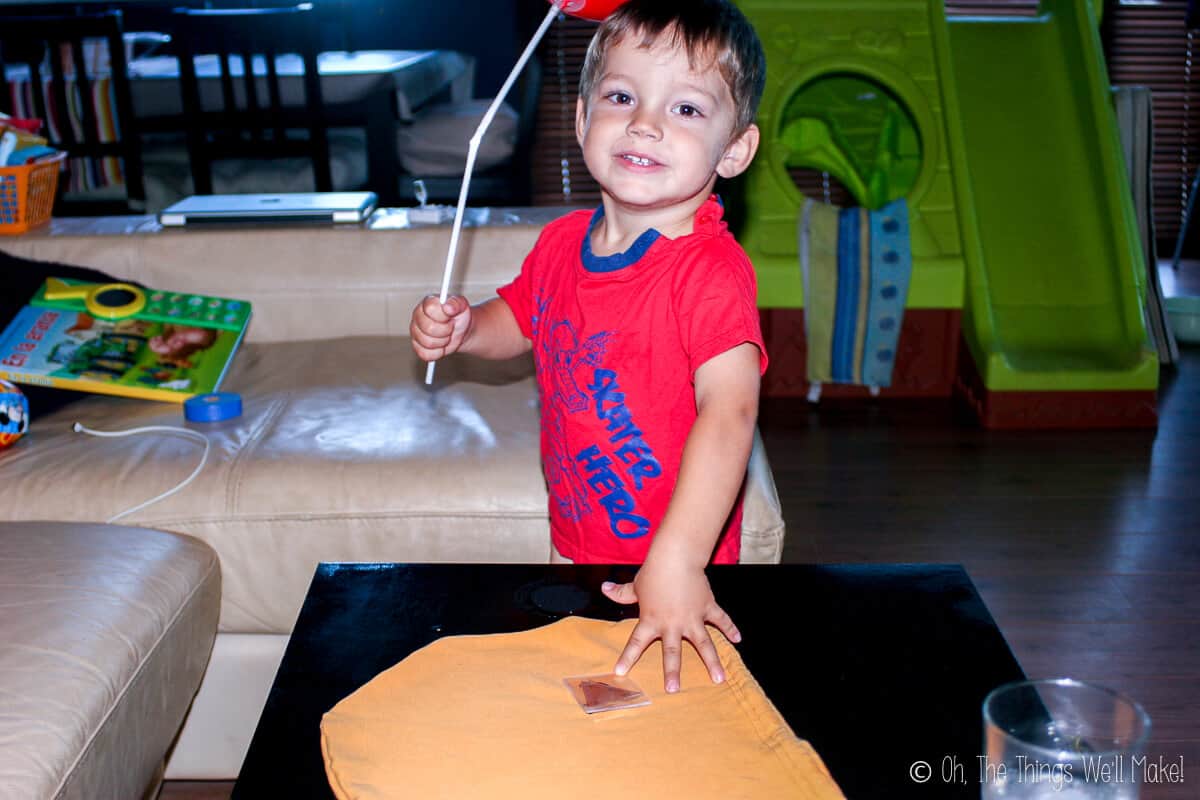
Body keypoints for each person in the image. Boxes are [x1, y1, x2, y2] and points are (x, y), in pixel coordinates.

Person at [410, 0, 766, 694]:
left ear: (734, 150)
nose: (645, 122)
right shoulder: (559, 243)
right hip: (577, 533)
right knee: (585, 698)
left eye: (687, 109)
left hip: (680, 558)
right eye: (622, 95)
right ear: (581, 119)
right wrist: (464, 329)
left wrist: (678, 557)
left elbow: (730, 414)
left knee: (675, 709)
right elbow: (520, 316)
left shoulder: (709, 272)